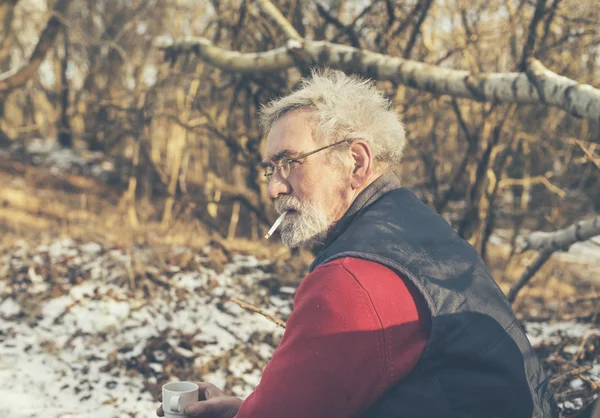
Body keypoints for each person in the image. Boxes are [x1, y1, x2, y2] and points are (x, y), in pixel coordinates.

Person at [157, 70, 559, 418]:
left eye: (289, 163)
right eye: (269, 169)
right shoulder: (419, 228)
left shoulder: (353, 279)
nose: (273, 188)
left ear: (357, 162)